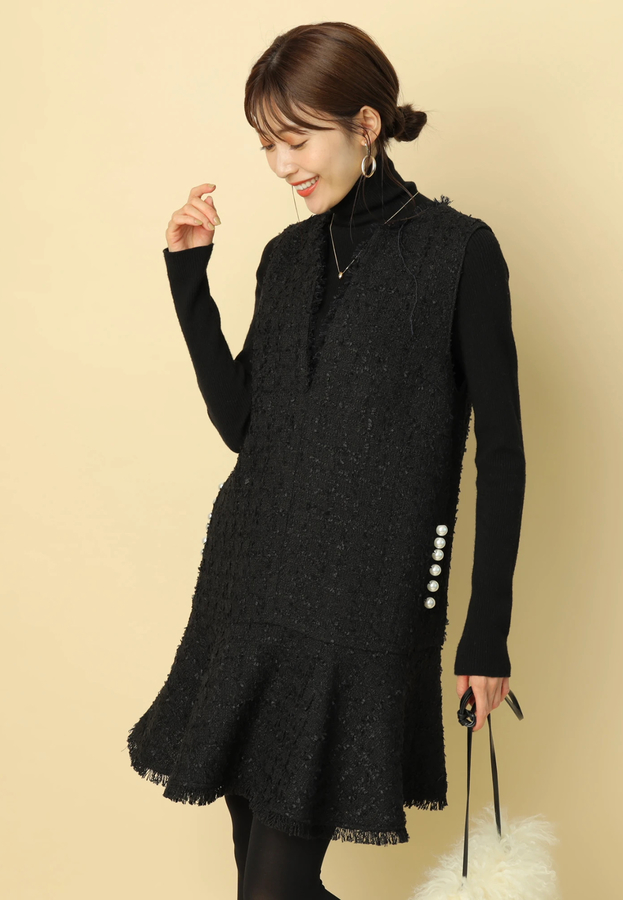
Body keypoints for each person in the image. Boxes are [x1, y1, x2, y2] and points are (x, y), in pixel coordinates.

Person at [126, 21, 525, 900]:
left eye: (297, 140)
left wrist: (486, 630)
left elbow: (501, 452)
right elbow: (245, 426)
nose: (281, 165)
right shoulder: (287, 257)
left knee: (273, 888)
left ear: (366, 125)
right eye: (267, 144)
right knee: (257, 879)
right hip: (249, 581)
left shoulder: (460, 251)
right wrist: (189, 281)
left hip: (362, 600)